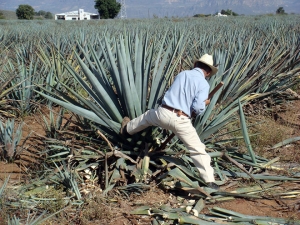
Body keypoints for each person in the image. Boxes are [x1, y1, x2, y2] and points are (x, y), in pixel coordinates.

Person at [120, 54, 219, 190]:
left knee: (147, 117)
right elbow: (197, 107)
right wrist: (205, 103)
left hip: (163, 113)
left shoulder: (182, 74)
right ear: (208, 72)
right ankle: (210, 182)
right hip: (181, 120)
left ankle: (126, 130)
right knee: (197, 149)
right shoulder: (203, 84)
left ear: (196, 65)